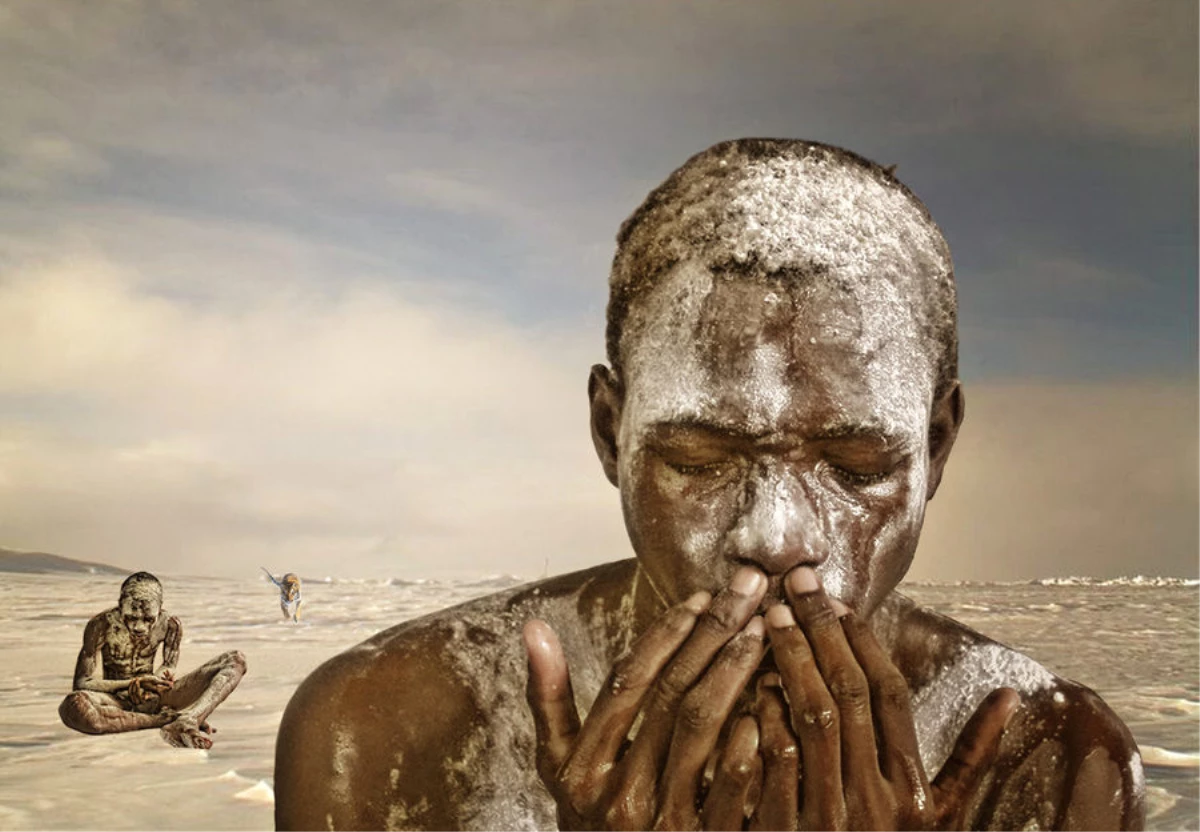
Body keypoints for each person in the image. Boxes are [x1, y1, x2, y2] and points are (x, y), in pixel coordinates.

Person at [274, 139, 1143, 831]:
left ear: (937, 448)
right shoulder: (380, 733)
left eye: (856, 469)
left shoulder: (1054, 763)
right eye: (696, 459)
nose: (775, 534)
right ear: (611, 432)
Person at [59, 571, 247, 749]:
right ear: (120, 604)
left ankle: (190, 719)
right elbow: (82, 683)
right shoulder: (100, 625)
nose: (139, 627)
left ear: (160, 608)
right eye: (131, 618)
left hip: (155, 698)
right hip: (114, 699)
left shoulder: (170, 624)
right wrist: (132, 684)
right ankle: (162, 721)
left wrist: (156, 683)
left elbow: (169, 666)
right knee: (74, 707)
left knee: (235, 660)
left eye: (149, 619)